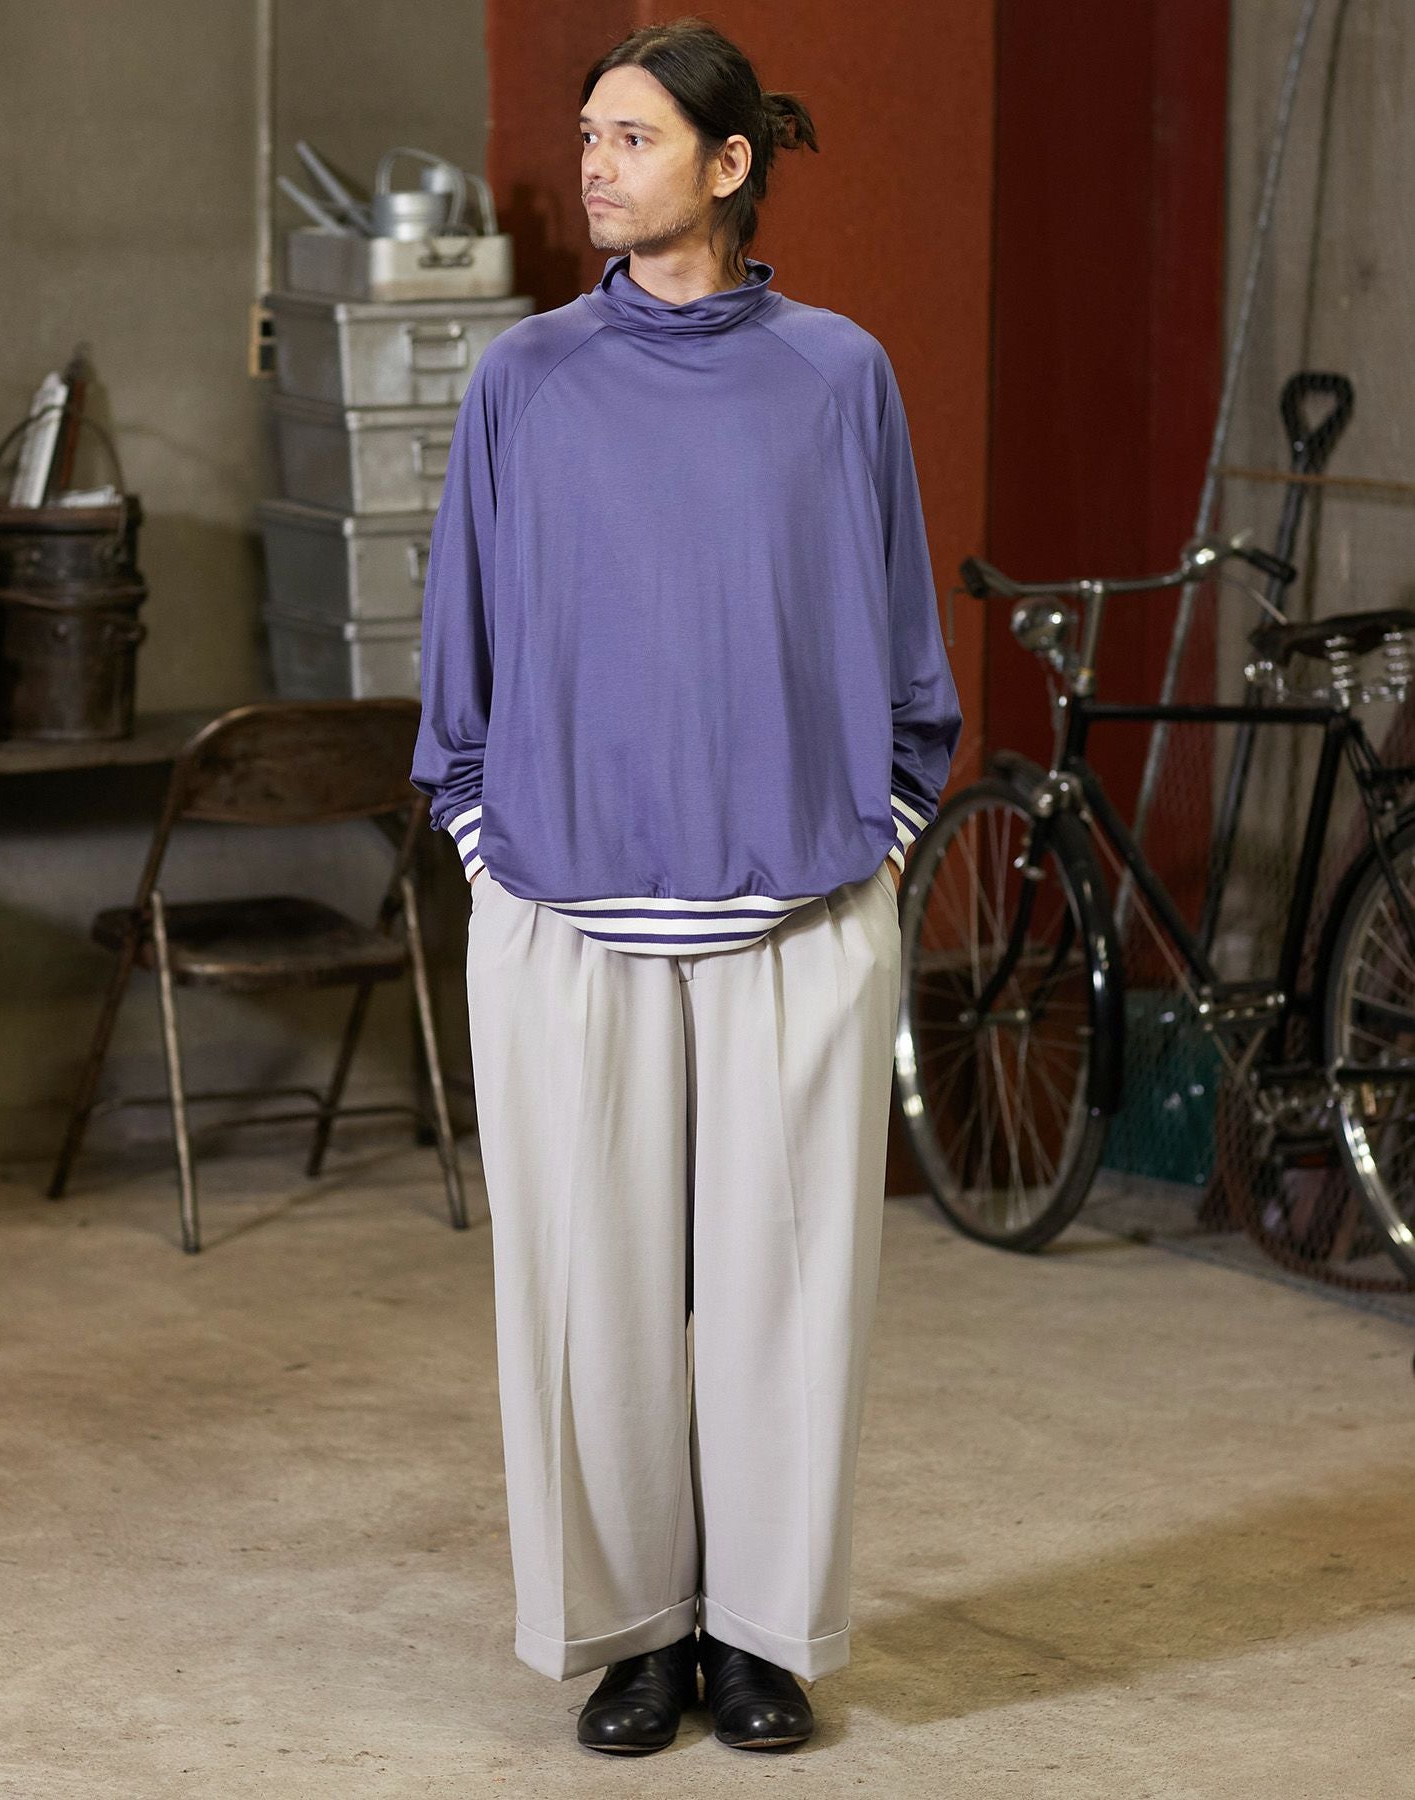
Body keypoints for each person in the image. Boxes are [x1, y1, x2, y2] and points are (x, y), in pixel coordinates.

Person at [409, 15, 962, 1757]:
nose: (593, 167)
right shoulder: (524, 380)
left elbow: (902, 647)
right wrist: (492, 851)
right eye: (589, 136)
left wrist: (878, 840)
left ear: (729, 165)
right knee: (589, 1302)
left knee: (793, 1302)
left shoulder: (838, 375)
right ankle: (633, 1635)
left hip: (799, 913)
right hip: (565, 916)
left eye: (631, 138)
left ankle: (765, 1639)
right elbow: (460, 655)